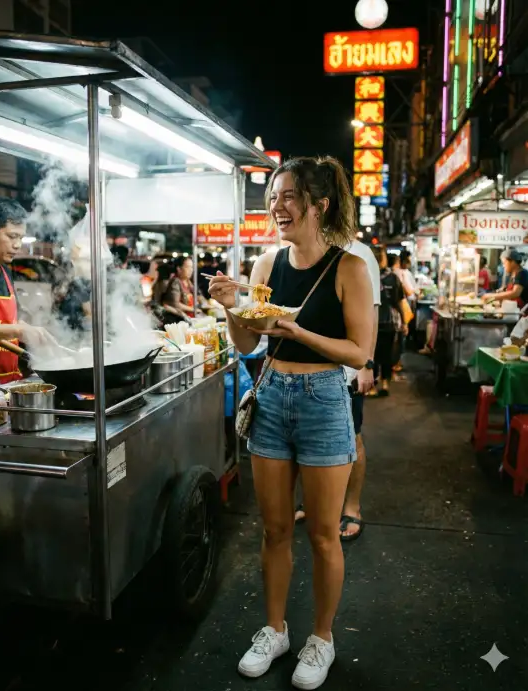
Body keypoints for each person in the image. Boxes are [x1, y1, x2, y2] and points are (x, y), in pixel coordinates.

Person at [210, 156, 373, 690]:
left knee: (325, 534)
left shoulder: (350, 267)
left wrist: (299, 332)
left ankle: (321, 639)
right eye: (273, 197)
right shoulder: (265, 265)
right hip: (272, 393)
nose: (276, 207)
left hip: (326, 397)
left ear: (318, 205)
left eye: (287, 197)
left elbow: (360, 351)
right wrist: (234, 307)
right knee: (275, 528)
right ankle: (274, 629)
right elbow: (248, 343)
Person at [294, 234, 381, 541]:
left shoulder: (359, 254)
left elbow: (372, 312)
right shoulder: (304, 251)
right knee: (307, 439)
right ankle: (313, 499)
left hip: (346, 368)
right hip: (307, 371)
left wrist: (366, 364)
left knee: (351, 438)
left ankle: (352, 507)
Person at [0, 197, 51, 383]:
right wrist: (19, 330)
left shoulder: (5, 271)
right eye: (12, 236)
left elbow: (5, 322)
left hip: (5, 387)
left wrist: (30, 330)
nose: (17, 245)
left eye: (21, 238)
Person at [368, 246, 407, 397]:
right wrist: (403, 322)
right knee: (386, 355)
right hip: (387, 322)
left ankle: (372, 385)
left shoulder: (363, 274)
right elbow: (398, 302)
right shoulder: (392, 277)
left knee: (372, 355)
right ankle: (384, 383)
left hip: (370, 323)